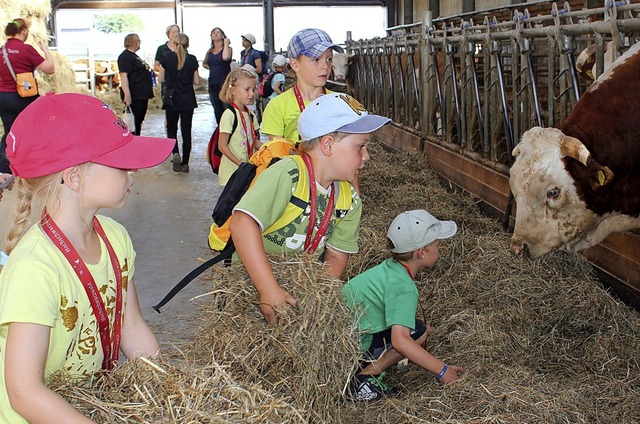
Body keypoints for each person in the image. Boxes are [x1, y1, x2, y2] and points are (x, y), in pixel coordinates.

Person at [0, 92, 174, 422]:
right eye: (121, 163)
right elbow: (25, 393)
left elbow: (130, 325)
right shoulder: (35, 268)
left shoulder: (115, 238)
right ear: (75, 177)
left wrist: (170, 390)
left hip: (86, 403)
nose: (133, 170)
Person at [229, 93, 390, 325]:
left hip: (297, 284)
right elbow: (242, 223)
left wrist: (316, 295)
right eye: (361, 146)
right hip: (250, 284)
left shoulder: (350, 200)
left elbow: (336, 254)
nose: (367, 156)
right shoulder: (289, 174)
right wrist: (268, 290)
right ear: (327, 145)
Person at [343, 210, 466, 401]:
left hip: (343, 338)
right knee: (417, 332)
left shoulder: (389, 268)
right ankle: (364, 377)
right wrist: (442, 370)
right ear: (421, 252)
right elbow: (400, 341)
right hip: (353, 347)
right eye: (437, 245)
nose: (439, 250)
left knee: (416, 328)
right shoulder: (404, 287)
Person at [260, 28, 342, 143]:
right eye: (316, 59)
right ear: (295, 64)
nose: (325, 66)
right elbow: (277, 153)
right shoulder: (278, 106)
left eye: (329, 59)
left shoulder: (340, 103)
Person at [0, 18, 54, 175]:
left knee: (10, 132)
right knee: (35, 130)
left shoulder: (1, 50)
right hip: (24, 97)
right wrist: (45, 49)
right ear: (23, 31)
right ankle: (36, 166)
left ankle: (3, 171)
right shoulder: (26, 49)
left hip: (3, 97)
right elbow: (49, 69)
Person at [159, 33, 200, 173]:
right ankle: (185, 162)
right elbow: (197, 81)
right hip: (188, 99)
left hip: (172, 99)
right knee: (186, 131)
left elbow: (160, 79)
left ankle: (175, 153)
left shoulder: (166, 58)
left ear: (174, 44)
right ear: (187, 44)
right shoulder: (192, 60)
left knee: (172, 129)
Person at [216, 68, 260, 186]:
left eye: (253, 89)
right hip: (231, 173)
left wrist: (272, 149)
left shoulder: (250, 115)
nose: (251, 94)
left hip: (245, 172)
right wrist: (239, 164)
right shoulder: (229, 115)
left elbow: (254, 140)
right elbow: (222, 145)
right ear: (233, 90)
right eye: (247, 89)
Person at [117, 33, 154, 136]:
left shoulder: (134, 56)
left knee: (139, 120)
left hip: (142, 93)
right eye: (138, 41)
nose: (139, 43)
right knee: (134, 120)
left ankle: (137, 138)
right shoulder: (125, 57)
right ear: (134, 43)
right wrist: (127, 94)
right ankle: (134, 140)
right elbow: (124, 76)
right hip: (135, 94)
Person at [203, 27, 232, 125]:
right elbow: (205, 63)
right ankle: (220, 132)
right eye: (213, 33)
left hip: (224, 82)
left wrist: (226, 43)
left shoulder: (228, 49)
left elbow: (226, 57)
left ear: (223, 36)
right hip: (212, 81)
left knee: (226, 107)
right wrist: (213, 68)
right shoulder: (210, 51)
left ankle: (230, 131)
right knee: (217, 109)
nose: (215, 34)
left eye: (218, 32)